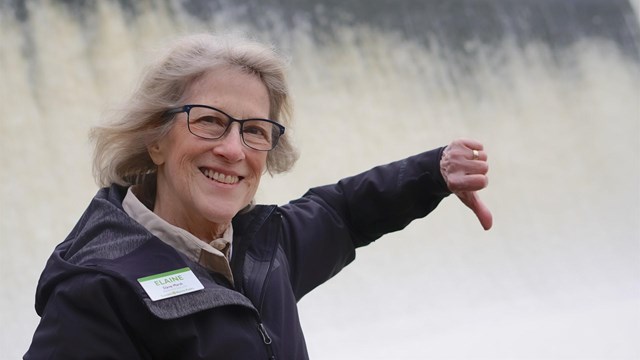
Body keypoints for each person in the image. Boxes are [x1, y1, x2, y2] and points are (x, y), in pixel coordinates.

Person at [24, 33, 492, 359]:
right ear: (156, 139)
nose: (232, 150)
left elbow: (345, 212)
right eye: (209, 120)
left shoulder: (263, 249)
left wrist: (436, 171)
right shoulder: (98, 290)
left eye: (254, 130)